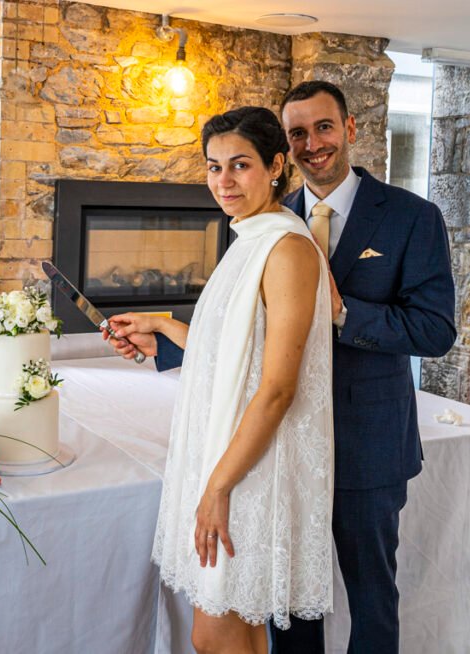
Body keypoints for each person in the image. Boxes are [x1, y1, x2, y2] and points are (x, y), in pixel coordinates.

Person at [112, 82, 457, 652]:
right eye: (298, 132)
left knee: (372, 600)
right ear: (285, 151)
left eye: (324, 127)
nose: (312, 143)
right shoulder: (262, 219)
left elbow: (435, 331)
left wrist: (344, 312)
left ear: (349, 129)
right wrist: (168, 339)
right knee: (286, 609)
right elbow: (249, 331)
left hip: (364, 441)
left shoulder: (409, 217)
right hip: (278, 452)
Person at [104, 106, 335, 654]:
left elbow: (278, 387)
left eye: (240, 165)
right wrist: (162, 326)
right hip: (228, 453)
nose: (223, 182)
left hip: (253, 469)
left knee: (216, 637)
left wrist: (218, 487)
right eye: (213, 167)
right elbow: (238, 350)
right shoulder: (250, 238)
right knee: (229, 634)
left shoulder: (288, 249)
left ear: (277, 165)